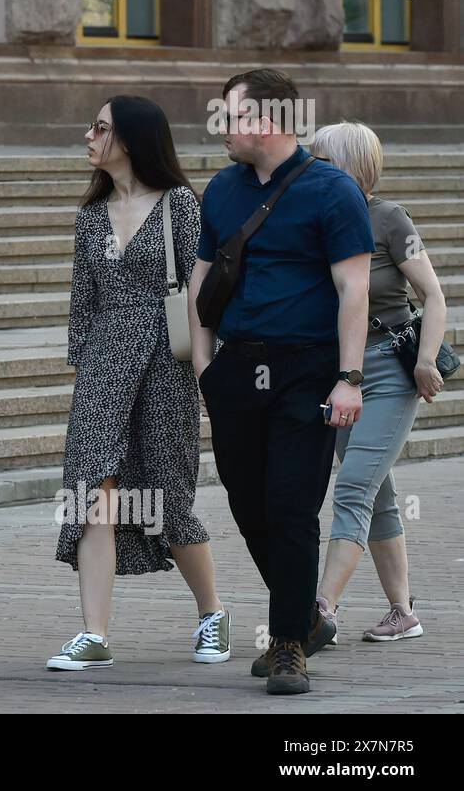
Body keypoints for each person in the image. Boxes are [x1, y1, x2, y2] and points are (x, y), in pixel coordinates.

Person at [188, 69, 374, 695]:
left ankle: (288, 644)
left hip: (308, 370)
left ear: (265, 122)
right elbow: (202, 281)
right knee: (248, 504)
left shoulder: (333, 191)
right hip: (237, 369)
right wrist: (204, 367)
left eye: (231, 117)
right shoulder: (220, 191)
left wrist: (350, 378)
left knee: (292, 505)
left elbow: (354, 289)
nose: (222, 128)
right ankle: (301, 615)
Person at [49, 95, 230, 672]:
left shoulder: (180, 204)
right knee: (91, 493)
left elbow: (202, 295)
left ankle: (212, 613)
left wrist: (204, 367)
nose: (88, 135)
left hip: (164, 364)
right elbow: (84, 301)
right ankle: (94, 634)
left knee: (167, 497)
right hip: (104, 367)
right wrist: (87, 368)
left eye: (99, 127)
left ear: (129, 139)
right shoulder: (90, 216)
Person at [310, 122, 447, 646]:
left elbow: (432, 297)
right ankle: (403, 612)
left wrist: (426, 360)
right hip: (343, 374)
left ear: (348, 166)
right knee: (377, 492)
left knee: (352, 487)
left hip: (390, 372)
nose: (311, 168)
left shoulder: (389, 218)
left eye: (321, 159)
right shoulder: (318, 222)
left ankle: (320, 608)